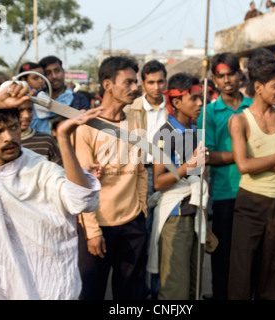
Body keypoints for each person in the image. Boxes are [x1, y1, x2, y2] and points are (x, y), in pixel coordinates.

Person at [0, 82, 101, 299]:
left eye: (13, 127)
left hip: (45, 288)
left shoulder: (42, 169)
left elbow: (82, 201)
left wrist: (63, 139)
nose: (9, 137)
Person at [228, 52, 275, 300]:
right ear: (258, 88)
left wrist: (262, 163)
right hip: (250, 202)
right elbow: (244, 166)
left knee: (274, 271)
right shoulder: (239, 120)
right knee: (242, 270)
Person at [75, 56, 148, 300]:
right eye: (127, 82)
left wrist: (141, 210)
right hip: (99, 227)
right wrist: (93, 230)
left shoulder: (136, 122)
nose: (135, 88)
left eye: (135, 82)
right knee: (91, 292)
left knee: (132, 295)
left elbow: (140, 170)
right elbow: (82, 183)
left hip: (132, 223)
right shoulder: (86, 126)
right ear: (107, 85)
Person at [196, 52, 253, 300]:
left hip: (255, 189)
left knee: (250, 254)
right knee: (223, 255)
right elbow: (206, 155)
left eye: (231, 74)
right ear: (214, 79)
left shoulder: (254, 107)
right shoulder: (208, 113)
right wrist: (243, 157)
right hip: (223, 193)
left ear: (240, 74)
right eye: (221, 76)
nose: (227, 80)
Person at [147, 73, 209, 300]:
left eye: (200, 98)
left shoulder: (195, 129)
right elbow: (158, 181)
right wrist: (188, 165)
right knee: (175, 288)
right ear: (176, 102)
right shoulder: (165, 133)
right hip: (176, 215)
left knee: (194, 284)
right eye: (193, 98)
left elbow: (198, 172)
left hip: (195, 212)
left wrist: (202, 166)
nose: (200, 103)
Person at [123, 60, 168, 298]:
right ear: (143, 84)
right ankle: (143, 290)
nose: (156, 87)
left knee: (163, 233)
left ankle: (160, 289)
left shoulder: (173, 107)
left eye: (160, 81)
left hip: (170, 173)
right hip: (141, 172)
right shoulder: (131, 108)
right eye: (151, 82)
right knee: (142, 231)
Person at [37, 56, 91, 135]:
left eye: (57, 71)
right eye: (48, 73)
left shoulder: (79, 99)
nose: (54, 76)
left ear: (63, 71)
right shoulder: (37, 98)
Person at [17, 99, 63, 165]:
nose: (26, 115)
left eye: (30, 110)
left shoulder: (46, 140)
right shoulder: (2, 142)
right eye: (20, 110)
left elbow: (61, 171)